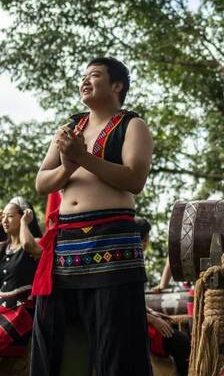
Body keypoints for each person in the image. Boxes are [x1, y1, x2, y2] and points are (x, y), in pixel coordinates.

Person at [32, 57, 154, 376]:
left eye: (95, 75)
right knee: (53, 343)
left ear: (117, 86)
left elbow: (134, 179)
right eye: (83, 76)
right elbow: (42, 181)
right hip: (65, 250)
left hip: (113, 244)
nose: (86, 80)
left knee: (117, 346)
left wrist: (82, 157)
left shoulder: (133, 124)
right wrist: (69, 166)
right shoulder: (71, 128)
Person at [136, 217, 190, 376]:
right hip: (137, 324)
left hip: (141, 318)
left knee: (176, 334)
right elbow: (126, 303)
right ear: (144, 239)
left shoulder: (136, 259)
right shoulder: (132, 260)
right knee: (181, 342)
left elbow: (134, 300)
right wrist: (153, 319)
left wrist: (153, 313)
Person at [0, 197, 42, 374]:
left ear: (24, 215)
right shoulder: (3, 247)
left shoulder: (36, 243)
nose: (5, 220)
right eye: (3, 217)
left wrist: (25, 222)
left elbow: (26, 244)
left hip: (21, 312)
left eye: (10, 216)